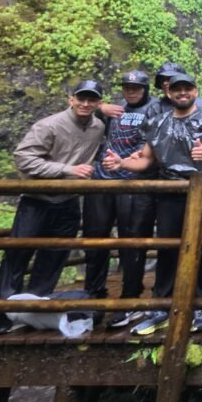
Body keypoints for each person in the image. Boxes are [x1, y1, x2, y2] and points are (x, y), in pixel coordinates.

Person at [103, 74, 202, 335]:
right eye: (177, 89)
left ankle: (201, 306)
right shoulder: (157, 122)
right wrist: (122, 163)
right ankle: (161, 305)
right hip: (170, 192)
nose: (183, 93)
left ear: (195, 90)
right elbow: (146, 161)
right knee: (168, 248)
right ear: (169, 93)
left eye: (187, 88)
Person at [0, 81, 106, 335]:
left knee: (53, 257)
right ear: (70, 99)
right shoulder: (49, 125)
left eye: (92, 99)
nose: (86, 104)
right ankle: (2, 315)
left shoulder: (98, 127)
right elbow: (24, 159)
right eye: (81, 98)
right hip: (37, 200)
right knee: (17, 256)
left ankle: (33, 312)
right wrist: (67, 170)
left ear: (98, 103)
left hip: (69, 202)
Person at [84, 71, 157, 329]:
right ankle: (93, 295)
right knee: (95, 240)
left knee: (132, 243)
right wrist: (99, 108)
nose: (132, 91)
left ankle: (130, 298)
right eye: (127, 87)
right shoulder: (114, 108)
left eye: (137, 87)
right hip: (103, 181)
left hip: (135, 183)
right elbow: (79, 109)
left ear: (146, 89)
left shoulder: (155, 109)